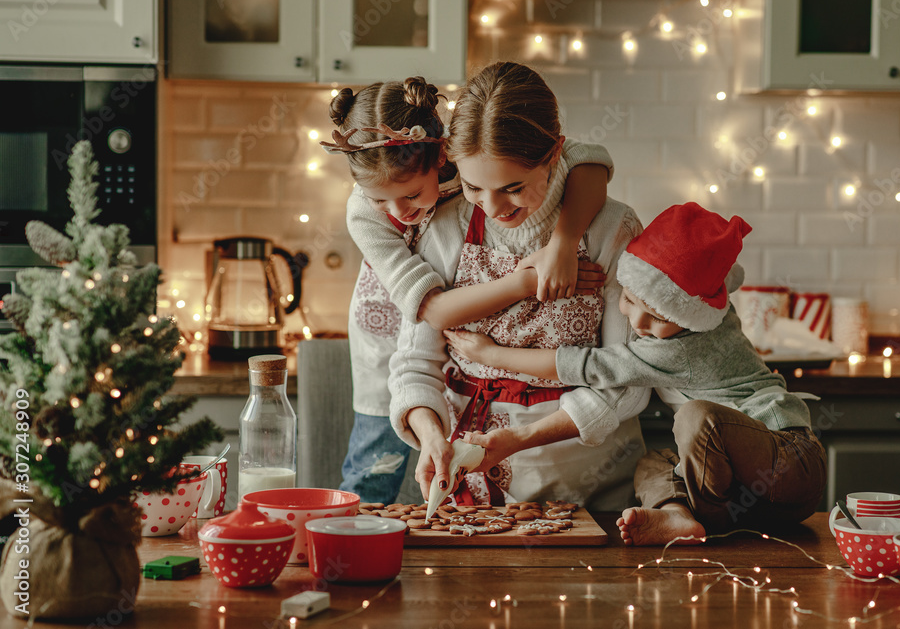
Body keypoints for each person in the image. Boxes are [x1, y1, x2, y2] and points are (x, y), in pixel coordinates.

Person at [445, 202, 828, 545]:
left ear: (688, 315)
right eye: (628, 299)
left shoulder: (681, 347)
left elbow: (587, 365)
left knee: (698, 417)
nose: (637, 321)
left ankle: (705, 519)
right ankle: (679, 516)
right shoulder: (707, 303)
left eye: (658, 317)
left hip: (788, 460)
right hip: (754, 496)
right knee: (651, 464)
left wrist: (492, 353)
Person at [325, 76, 614, 504]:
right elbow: (435, 312)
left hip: (461, 311)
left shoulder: (470, 163)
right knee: (375, 463)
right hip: (398, 315)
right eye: (379, 201)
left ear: (442, 155)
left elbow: (587, 161)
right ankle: (355, 543)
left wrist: (563, 242)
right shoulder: (365, 215)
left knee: (449, 451)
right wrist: (527, 281)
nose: (397, 213)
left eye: (410, 195)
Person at [387, 62, 650, 510]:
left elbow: (627, 379)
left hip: (589, 488)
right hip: (469, 487)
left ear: (554, 154)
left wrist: (522, 438)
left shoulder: (610, 229)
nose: (491, 207)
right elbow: (415, 362)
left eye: (512, 187)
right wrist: (431, 434)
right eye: (473, 187)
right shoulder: (446, 225)